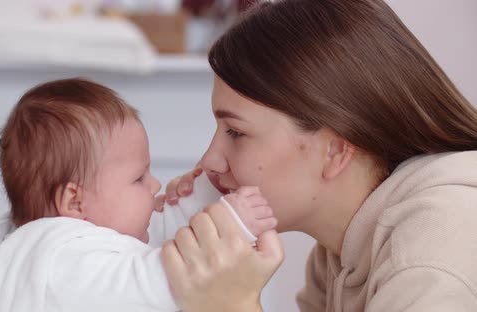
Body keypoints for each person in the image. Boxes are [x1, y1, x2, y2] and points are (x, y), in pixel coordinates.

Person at [158, 0, 477, 311]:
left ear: (334, 151)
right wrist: (160, 241)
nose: (210, 160)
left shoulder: (429, 257)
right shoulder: (340, 252)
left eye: (236, 133)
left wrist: (231, 304)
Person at [0, 78, 278, 312]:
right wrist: (231, 225)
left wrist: (205, 193)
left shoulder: (90, 242)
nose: (155, 185)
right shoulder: (66, 255)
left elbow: (159, 235)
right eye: (138, 178)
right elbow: (162, 280)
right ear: (75, 202)